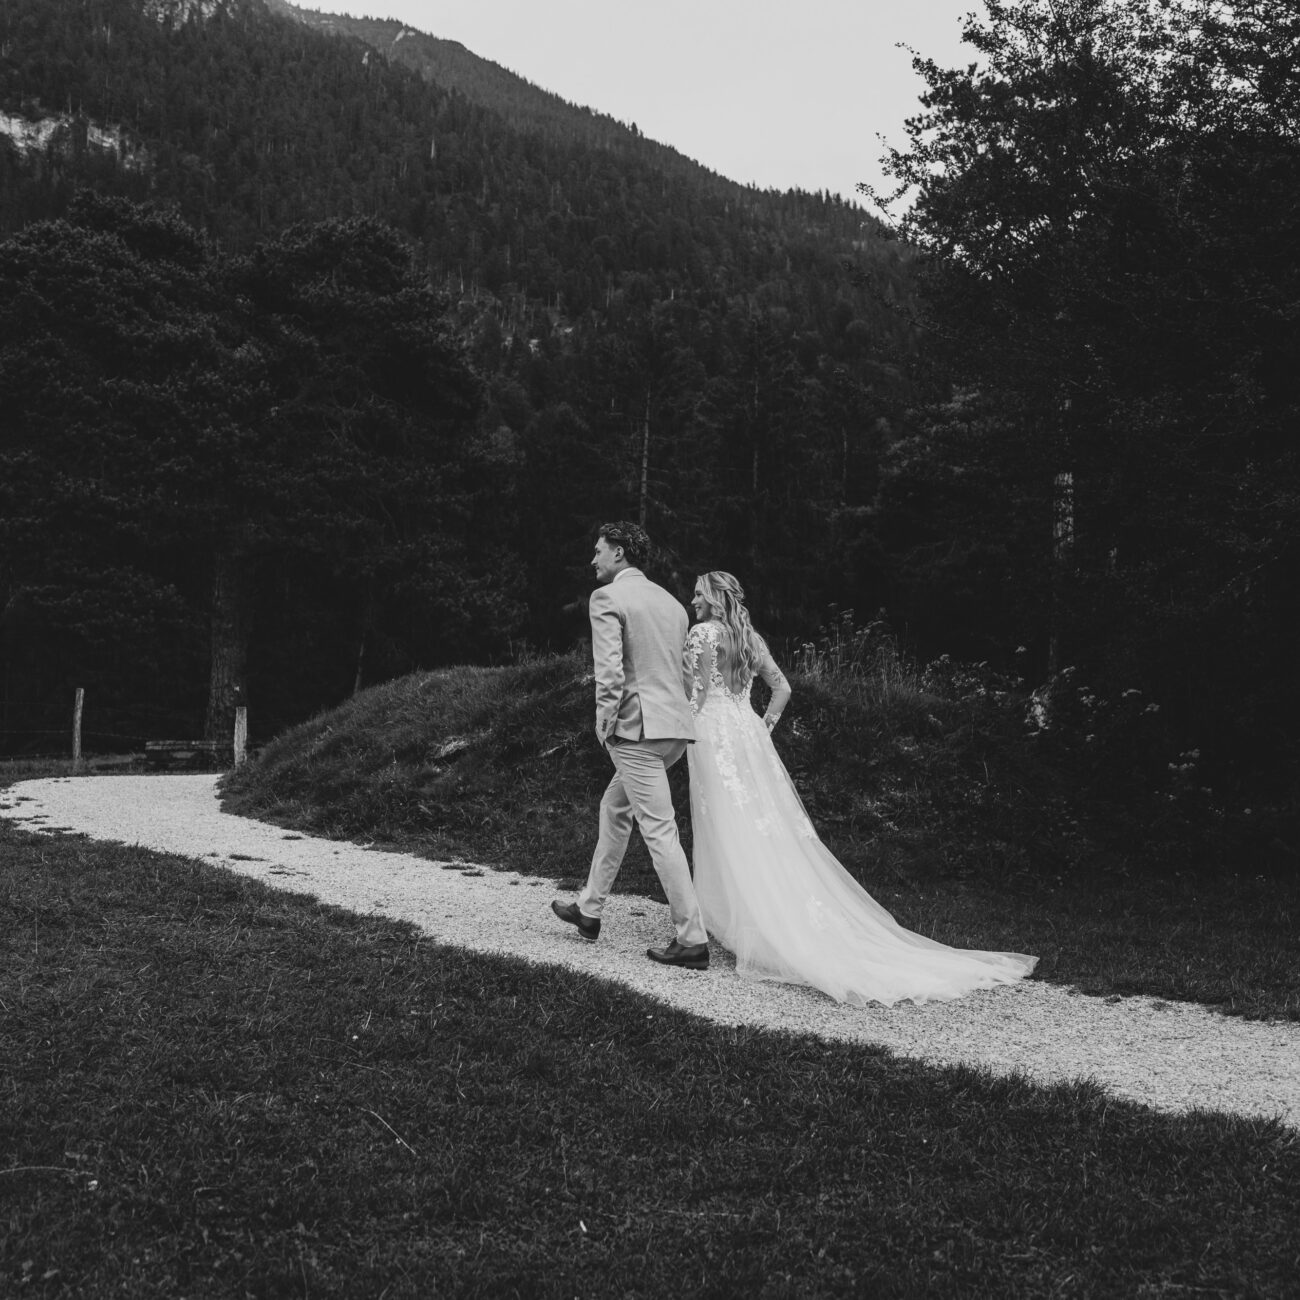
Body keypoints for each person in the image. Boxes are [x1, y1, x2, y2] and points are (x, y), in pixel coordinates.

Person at [684, 571, 1038, 1005]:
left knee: (724, 823)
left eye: (698, 593)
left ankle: (733, 916)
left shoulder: (703, 634)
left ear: (714, 597)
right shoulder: (749, 637)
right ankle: (751, 913)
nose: (692, 600)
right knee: (761, 826)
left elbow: (697, 696)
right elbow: (782, 688)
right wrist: (762, 728)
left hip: (712, 735)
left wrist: (683, 730)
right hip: (747, 735)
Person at [552, 522, 710, 969]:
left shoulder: (607, 598)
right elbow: (684, 674)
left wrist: (605, 725)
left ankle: (692, 939)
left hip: (636, 730)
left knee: (659, 830)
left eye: (598, 551)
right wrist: (679, 717)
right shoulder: (672, 604)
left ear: (619, 552)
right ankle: (589, 909)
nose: (593, 559)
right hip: (673, 731)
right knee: (615, 806)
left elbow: (610, 672)